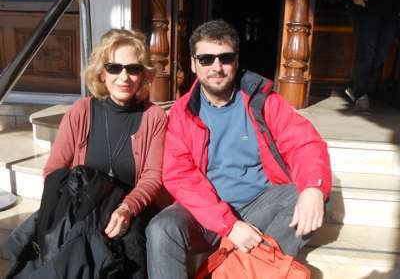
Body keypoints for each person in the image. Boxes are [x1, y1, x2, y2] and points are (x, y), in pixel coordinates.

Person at [146, 19, 332, 279]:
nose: (217, 67)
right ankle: (238, 262)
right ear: (192, 64)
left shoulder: (262, 101)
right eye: (206, 59)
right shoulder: (182, 112)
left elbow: (303, 142)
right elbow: (180, 175)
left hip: (259, 207)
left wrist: (312, 187)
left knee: (307, 197)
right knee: (161, 229)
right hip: (205, 211)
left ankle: (226, 268)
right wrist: (229, 225)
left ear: (236, 61)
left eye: (225, 58)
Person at [43, 28, 167, 277]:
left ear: (143, 74)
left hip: (131, 210)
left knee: (129, 244)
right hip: (85, 208)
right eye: (114, 68)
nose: (124, 77)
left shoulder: (153, 117)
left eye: (133, 68)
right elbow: (54, 170)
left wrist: (126, 208)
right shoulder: (81, 112)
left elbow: (153, 176)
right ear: (101, 72)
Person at [344, 0, 400, 113]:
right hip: (366, 2)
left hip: (391, 6)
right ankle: (360, 95)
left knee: (381, 54)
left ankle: (355, 87)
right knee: (366, 53)